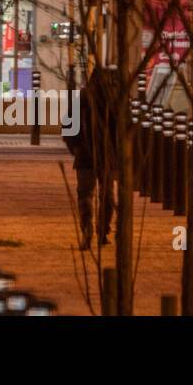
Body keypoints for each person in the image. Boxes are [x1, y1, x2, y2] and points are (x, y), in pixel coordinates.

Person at [65, 65, 122, 249]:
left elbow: (68, 128)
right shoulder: (115, 100)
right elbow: (123, 132)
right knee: (107, 194)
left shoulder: (81, 98)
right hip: (108, 155)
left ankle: (87, 229)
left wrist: (75, 148)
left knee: (85, 194)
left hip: (84, 155)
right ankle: (103, 230)